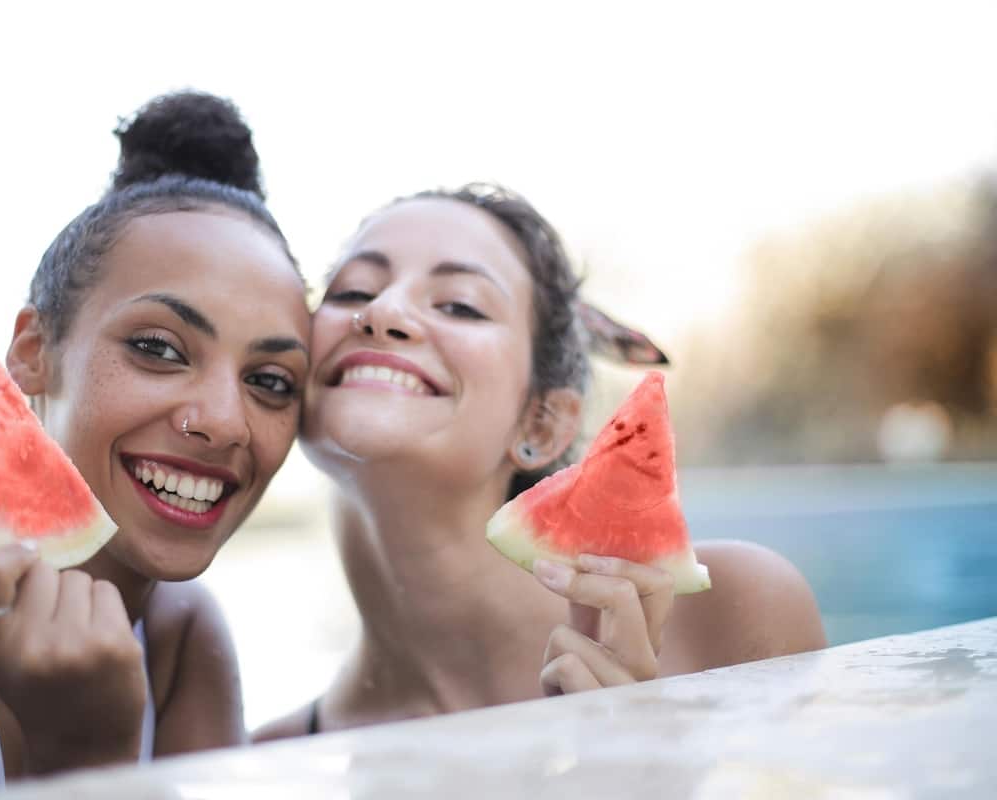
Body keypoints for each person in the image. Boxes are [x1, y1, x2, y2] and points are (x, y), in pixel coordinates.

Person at [0, 91, 311, 797]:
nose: (225, 422)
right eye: (159, 348)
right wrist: (85, 761)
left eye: (271, 381)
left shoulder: (181, 633)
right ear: (34, 351)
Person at [254, 183, 827, 739]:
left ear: (542, 423)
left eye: (460, 305)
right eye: (351, 291)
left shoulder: (735, 612)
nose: (381, 311)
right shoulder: (271, 757)